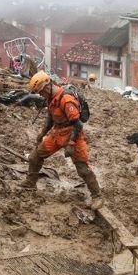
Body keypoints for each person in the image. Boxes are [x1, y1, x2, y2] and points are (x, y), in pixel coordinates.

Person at [22, 71, 103, 209]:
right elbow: (50, 117)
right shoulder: (51, 98)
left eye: (41, 92)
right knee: (35, 156)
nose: (41, 95)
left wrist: (71, 143)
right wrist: (42, 133)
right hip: (57, 132)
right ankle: (30, 184)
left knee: (82, 168)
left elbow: (78, 124)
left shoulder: (66, 99)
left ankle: (97, 196)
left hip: (73, 134)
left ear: (47, 87)